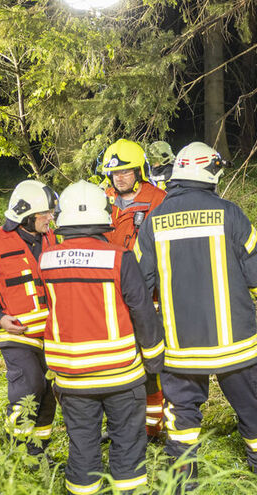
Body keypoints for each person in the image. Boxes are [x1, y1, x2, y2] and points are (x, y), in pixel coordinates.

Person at [134, 142, 257, 487]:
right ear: (209, 173)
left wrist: (144, 329)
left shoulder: (154, 222)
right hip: (236, 345)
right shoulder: (230, 214)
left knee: (182, 413)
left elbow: (138, 284)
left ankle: (184, 480)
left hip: (181, 346)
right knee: (250, 406)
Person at [40, 181, 165, 495]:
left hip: (71, 377)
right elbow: (143, 312)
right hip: (121, 374)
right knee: (128, 443)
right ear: (105, 217)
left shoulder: (47, 259)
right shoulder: (119, 257)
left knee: (82, 446)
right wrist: (153, 358)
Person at [0, 180, 58, 459]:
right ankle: (17, 447)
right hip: (15, 335)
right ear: (28, 215)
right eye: (46, 213)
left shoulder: (50, 238)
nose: (51, 218)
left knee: (48, 391)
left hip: (50, 334)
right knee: (28, 386)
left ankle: (39, 449)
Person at [99, 138, 167, 438]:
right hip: (107, 299)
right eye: (115, 173)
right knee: (112, 368)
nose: (120, 178)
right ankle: (118, 425)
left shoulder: (159, 200)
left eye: (126, 171)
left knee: (152, 369)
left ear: (140, 170)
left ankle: (153, 428)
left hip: (147, 299)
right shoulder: (101, 200)